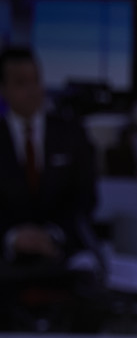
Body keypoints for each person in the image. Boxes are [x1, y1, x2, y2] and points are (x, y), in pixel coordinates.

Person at [0, 47, 97, 264]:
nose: (32, 90)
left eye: (36, 80)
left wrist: (54, 234)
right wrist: (13, 237)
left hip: (62, 256)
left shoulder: (71, 134)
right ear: (3, 89)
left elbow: (85, 198)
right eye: (21, 83)